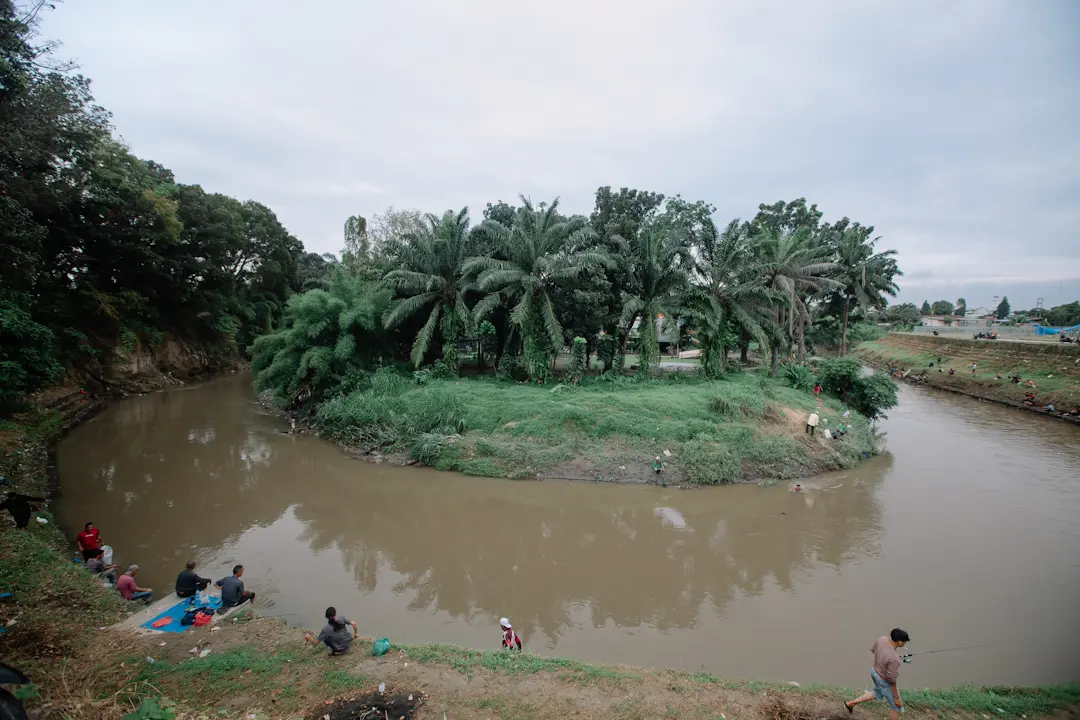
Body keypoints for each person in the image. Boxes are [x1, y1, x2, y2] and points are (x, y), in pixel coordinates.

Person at [845, 628, 910, 720]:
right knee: (896, 707)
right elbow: (891, 679)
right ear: (899, 642)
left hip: (874, 672)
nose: (904, 644)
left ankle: (850, 703)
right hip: (883, 680)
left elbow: (873, 650)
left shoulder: (882, 639)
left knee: (876, 693)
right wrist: (896, 697)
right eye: (904, 642)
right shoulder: (895, 659)